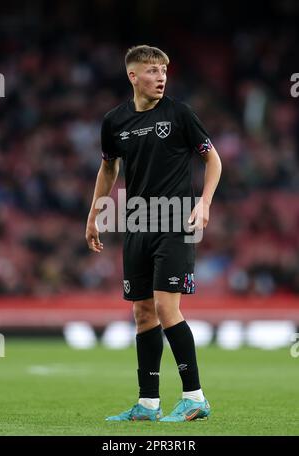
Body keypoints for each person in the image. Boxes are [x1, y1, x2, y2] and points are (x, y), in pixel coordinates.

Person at [86, 45, 222, 422]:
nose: (161, 77)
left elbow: (212, 158)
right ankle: (148, 403)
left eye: (163, 70)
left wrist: (205, 202)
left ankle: (195, 397)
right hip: (137, 224)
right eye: (152, 71)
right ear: (133, 76)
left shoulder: (179, 114)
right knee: (142, 313)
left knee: (166, 308)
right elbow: (108, 169)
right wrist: (94, 214)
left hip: (175, 221)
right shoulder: (114, 121)